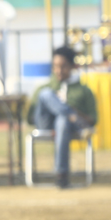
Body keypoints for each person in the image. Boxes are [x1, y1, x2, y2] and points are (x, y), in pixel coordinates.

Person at [30, 47, 98, 189]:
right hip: (45, 123)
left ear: (73, 66)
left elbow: (93, 119)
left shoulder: (83, 91)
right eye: (55, 66)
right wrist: (63, 108)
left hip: (68, 128)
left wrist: (74, 111)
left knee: (62, 121)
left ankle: (61, 175)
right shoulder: (45, 86)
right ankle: (71, 116)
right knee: (46, 94)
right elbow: (30, 117)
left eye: (63, 66)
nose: (59, 71)